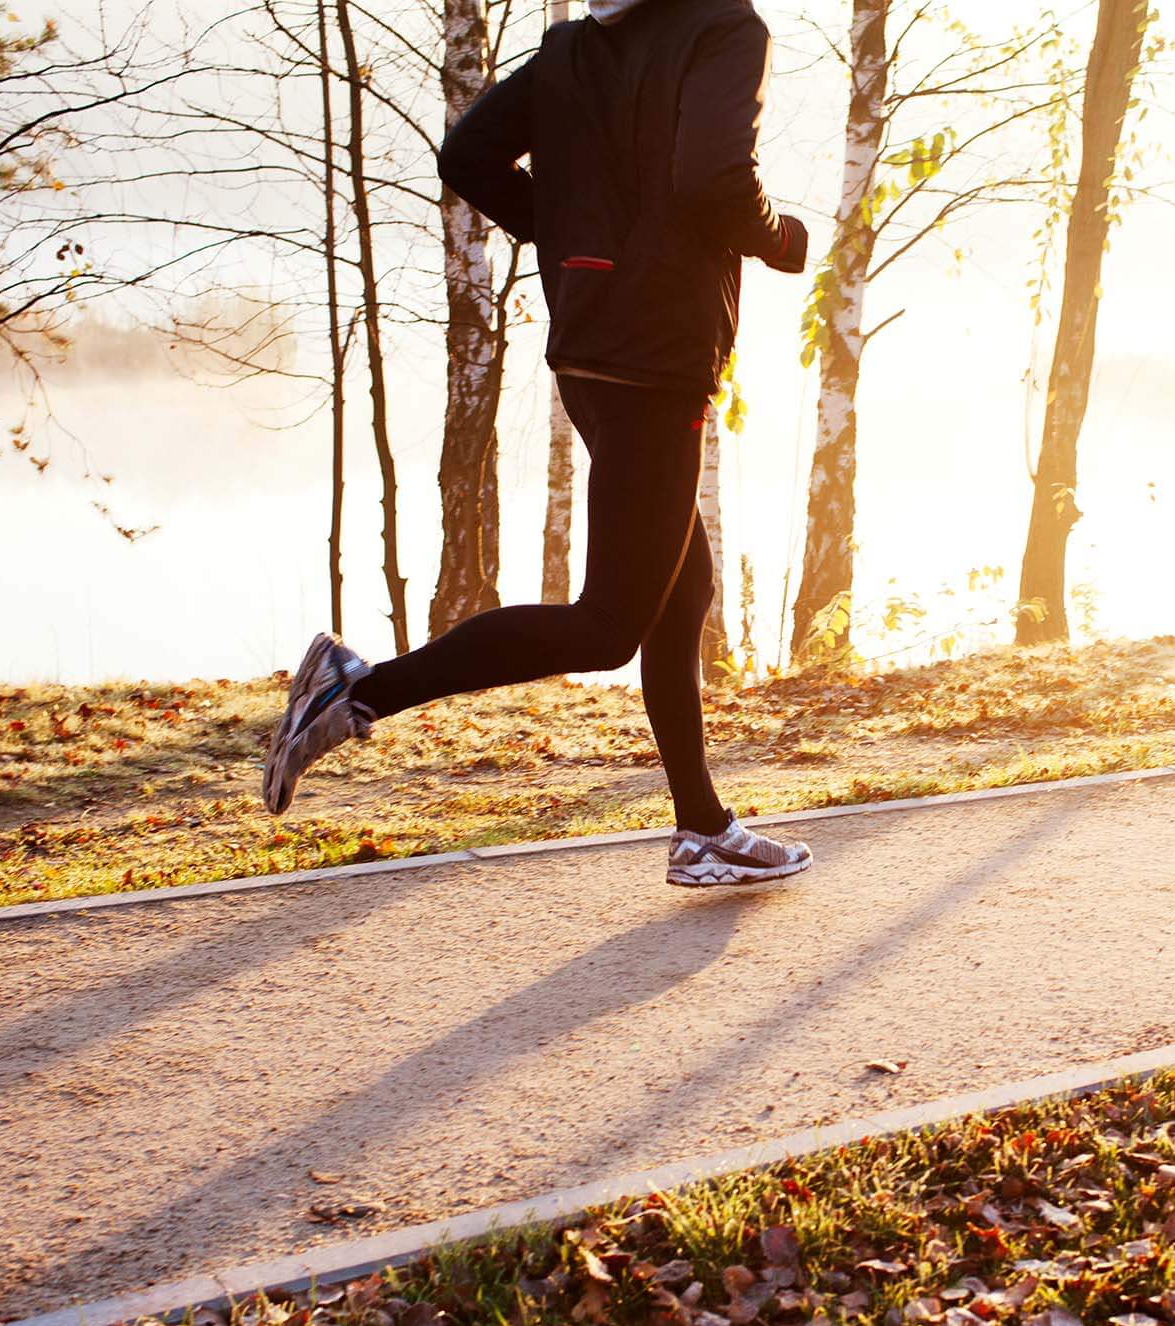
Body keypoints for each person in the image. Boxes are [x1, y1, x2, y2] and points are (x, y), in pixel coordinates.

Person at [262, 0, 815, 889]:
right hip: (656, 355)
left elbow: (467, 155)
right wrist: (780, 239)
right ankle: (356, 690)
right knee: (608, 627)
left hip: (592, 344)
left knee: (684, 588)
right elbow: (714, 179)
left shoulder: (572, 47)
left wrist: (562, 236)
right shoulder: (723, 26)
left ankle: (703, 827)